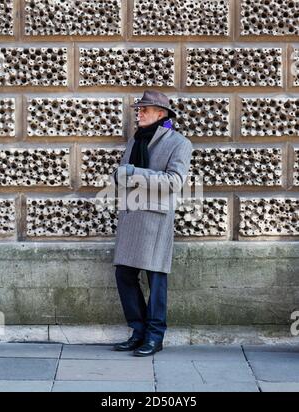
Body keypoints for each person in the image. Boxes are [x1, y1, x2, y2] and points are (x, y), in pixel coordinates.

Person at [110, 90, 193, 356]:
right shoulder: (135, 139)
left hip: (155, 219)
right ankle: (138, 330)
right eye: (139, 109)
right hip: (131, 215)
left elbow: (174, 182)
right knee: (124, 274)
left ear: (161, 113)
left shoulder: (179, 143)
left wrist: (135, 173)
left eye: (144, 109)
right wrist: (121, 175)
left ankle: (155, 337)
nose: (139, 113)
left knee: (156, 278)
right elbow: (123, 174)